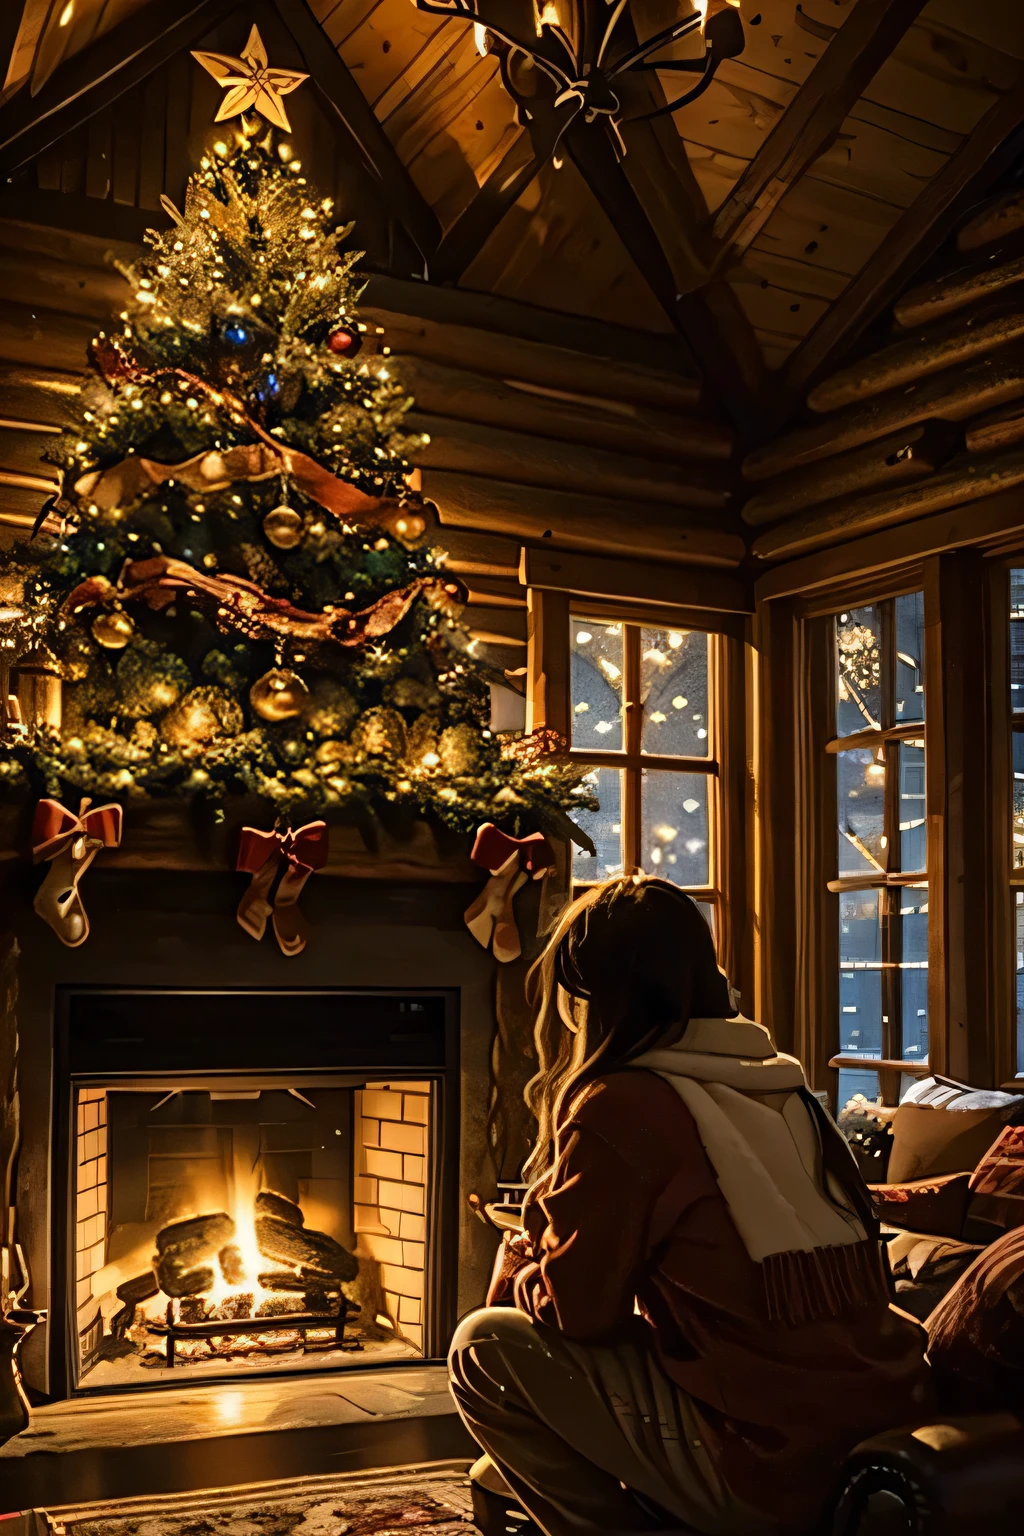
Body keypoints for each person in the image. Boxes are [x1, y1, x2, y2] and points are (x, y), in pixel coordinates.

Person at [450, 876, 933, 1536]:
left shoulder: (624, 1105)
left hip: (770, 1465)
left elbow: (580, 1312)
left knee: (481, 1347)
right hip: (882, 1412)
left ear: (594, 996)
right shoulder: (784, 1087)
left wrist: (528, 1257)